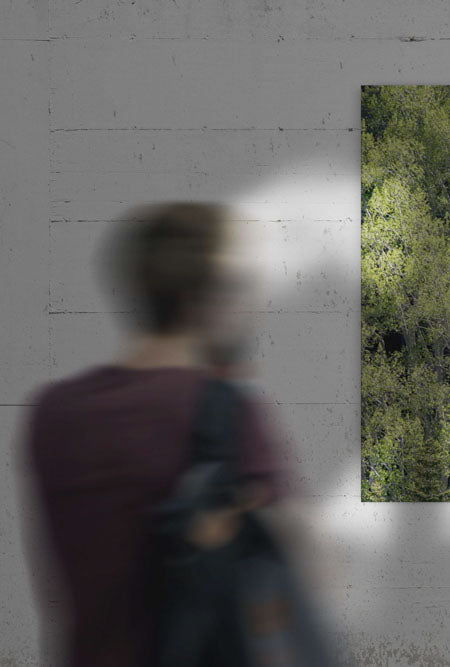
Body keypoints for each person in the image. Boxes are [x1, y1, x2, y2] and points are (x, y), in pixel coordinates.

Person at [19, 203, 287, 666]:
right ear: (203, 299)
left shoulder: (53, 412)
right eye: (241, 287)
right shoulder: (224, 412)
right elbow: (282, 598)